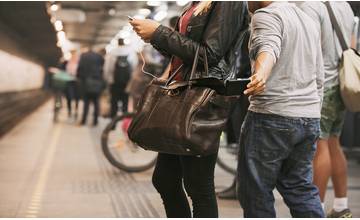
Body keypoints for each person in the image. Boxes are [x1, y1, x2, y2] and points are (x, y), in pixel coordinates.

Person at [130, 1, 248, 217]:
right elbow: (185, 51)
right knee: (165, 180)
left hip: (202, 100)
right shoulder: (196, 3)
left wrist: (159, 33)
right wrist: (155, 37)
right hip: (183, 94)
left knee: (199, 186)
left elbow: (209, 55)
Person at [237, 2, 325, 217]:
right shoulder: (307, 19)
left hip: (271, 116)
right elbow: (319, 76)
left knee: (256, 192)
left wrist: (261, 74)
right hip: (308, 115)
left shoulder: (266, 15)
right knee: (300, 189)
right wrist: (313, 112)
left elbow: (268, 47)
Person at [298, 2, 357, 217]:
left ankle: (317, 209)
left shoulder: (312, 6)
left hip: (322, 85)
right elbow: (351, 43)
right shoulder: (345, 5)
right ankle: (341, 206)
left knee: (319, 147)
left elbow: (308, 49)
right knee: (333, 143)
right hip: (341, 84)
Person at [103, 38, 137, 118]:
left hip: (114, 81)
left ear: (117, 43)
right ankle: (124, 121)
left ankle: (113, 122)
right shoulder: (131, 52)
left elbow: (107, 68)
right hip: (127, 82)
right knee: (125, 101)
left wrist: (107, 79)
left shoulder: (111, 52)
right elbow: (134, 67)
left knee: (114, 101)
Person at [77, 49, 105, 126]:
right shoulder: (99, 57)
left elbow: (79, 69)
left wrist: (80, 79)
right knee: (96, 102)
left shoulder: (83, 56)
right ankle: (95, 121)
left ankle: (83, 121)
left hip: (86, 82)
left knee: (86, 103)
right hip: (97, 82)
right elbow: (103, 68)